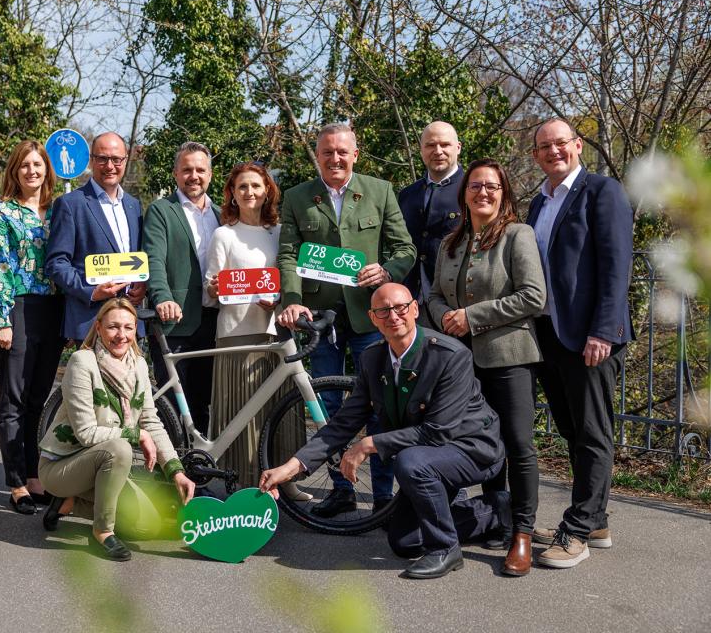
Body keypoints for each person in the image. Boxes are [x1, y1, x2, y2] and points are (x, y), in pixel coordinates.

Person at [260, 284, 508, 580]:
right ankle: (497, 509)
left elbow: (437, 432)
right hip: (428, 457)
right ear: (373, 318)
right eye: (383, 310)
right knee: (404, 541)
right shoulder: (373, 358)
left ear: (414, 309)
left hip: (472, 450)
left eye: (401, 307)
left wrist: (367, 444)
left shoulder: (449, 355)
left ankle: (445, 549)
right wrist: (291, 467)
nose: (393, 316)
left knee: (410, 463)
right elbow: (344, 422)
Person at [277, 122, 416, 517]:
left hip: (371, 319)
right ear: (317, 156)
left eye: (342, 152)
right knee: (328, 405)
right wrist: (292, 300)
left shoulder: (379, 191)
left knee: (381, 406)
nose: (335, 159)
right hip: (319, 319)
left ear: (355, 154)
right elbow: (288, 254)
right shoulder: (297, 197)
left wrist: (387, 271)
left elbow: (405, 247)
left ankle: (385, 494)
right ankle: (341, 489)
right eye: (327, 152)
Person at [427, 158, 547, 576]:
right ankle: (496, 518)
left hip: (509, 358)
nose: (483, 192)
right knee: (481, 443)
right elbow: (434, 295)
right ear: (464, 194)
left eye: (492, 187)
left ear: (504, 193)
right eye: (475, 186)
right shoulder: (450, 243)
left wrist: (471, 316)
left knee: (517, 445)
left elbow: (533, 296)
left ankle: (523, 534)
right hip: (461, 364)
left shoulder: (518, 235)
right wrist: (445, 314)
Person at [527, 118, 634, 568]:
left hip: (588, 335)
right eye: (544, 147)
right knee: (572, 430)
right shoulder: (538, 202)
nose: (553, 152)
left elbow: (616, 266)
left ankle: (577, 531)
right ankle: (597, 518)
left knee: (592, 432)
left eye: (560, 144)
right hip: (549, 332)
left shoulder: (601, 191)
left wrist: (602, 331)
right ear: (536, 155)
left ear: (578, 145)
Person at [37, 298, 195, 561]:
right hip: (63, 467)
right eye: (113, 327)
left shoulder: (139, 365)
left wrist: (176, 471)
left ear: (136, 331)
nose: (121, 335)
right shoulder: (82, 362)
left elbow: (151, 421)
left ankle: (70, 503)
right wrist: (136, 435)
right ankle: (102, 531)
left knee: (146, 526)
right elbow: (87, 433)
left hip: (106, 467)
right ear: (98, 328)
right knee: (120, 448)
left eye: (128, 328)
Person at [0, 140, 67, 514]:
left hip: (54, 309)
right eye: (24, 166)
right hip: (17, 305)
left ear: (47, 169)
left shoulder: (58, 211)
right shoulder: (1, 212)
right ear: (15, 172)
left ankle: (35, 476)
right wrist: (1, 320)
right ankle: (16, 482)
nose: (32, 171)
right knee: (13, 399)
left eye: (38, 165)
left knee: (38, 399)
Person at [204, 162, 296, 488]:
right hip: (237, 335)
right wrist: (214, 289)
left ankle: (286, 482)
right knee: (243, 414)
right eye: (242, 187)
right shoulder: (223, 235)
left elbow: (289, 281)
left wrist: (280, 300)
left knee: (281, 410)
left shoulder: (281, 232)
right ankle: (243, 482)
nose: (250, 192)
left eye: (256, 186)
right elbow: (210, 292)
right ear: (232, 193)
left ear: (268, 190)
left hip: (276, 333)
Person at [143, 141, 221, 435]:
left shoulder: (222, 213)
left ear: (210, 174)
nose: (194, 176)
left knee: (203, 402)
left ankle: (195, 471)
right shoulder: (163, 210)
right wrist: (162, 297)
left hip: (213, 321)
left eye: (200, 170)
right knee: (172, 404)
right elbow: (154, 258)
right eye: (187, 170)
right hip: (174, 321)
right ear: (176, 174)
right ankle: (169, 472)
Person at [46, 132, 145, 342]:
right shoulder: (70, 204)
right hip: (91, 321)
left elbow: (139, 257)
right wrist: (90, 291)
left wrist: (142, 283)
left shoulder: (134, 206)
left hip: (129, 321)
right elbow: (56, 263)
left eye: (116, 159)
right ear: (92, 161)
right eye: (102, 158)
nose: (110, 166)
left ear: (125, 160)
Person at [398, 121, 465, 307]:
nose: (438, 151)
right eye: (430, 145)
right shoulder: (407, 195)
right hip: (410, 300)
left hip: (455, 302)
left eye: (445, 144)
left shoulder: (473, 190)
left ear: (458, 148)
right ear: (421, 150)